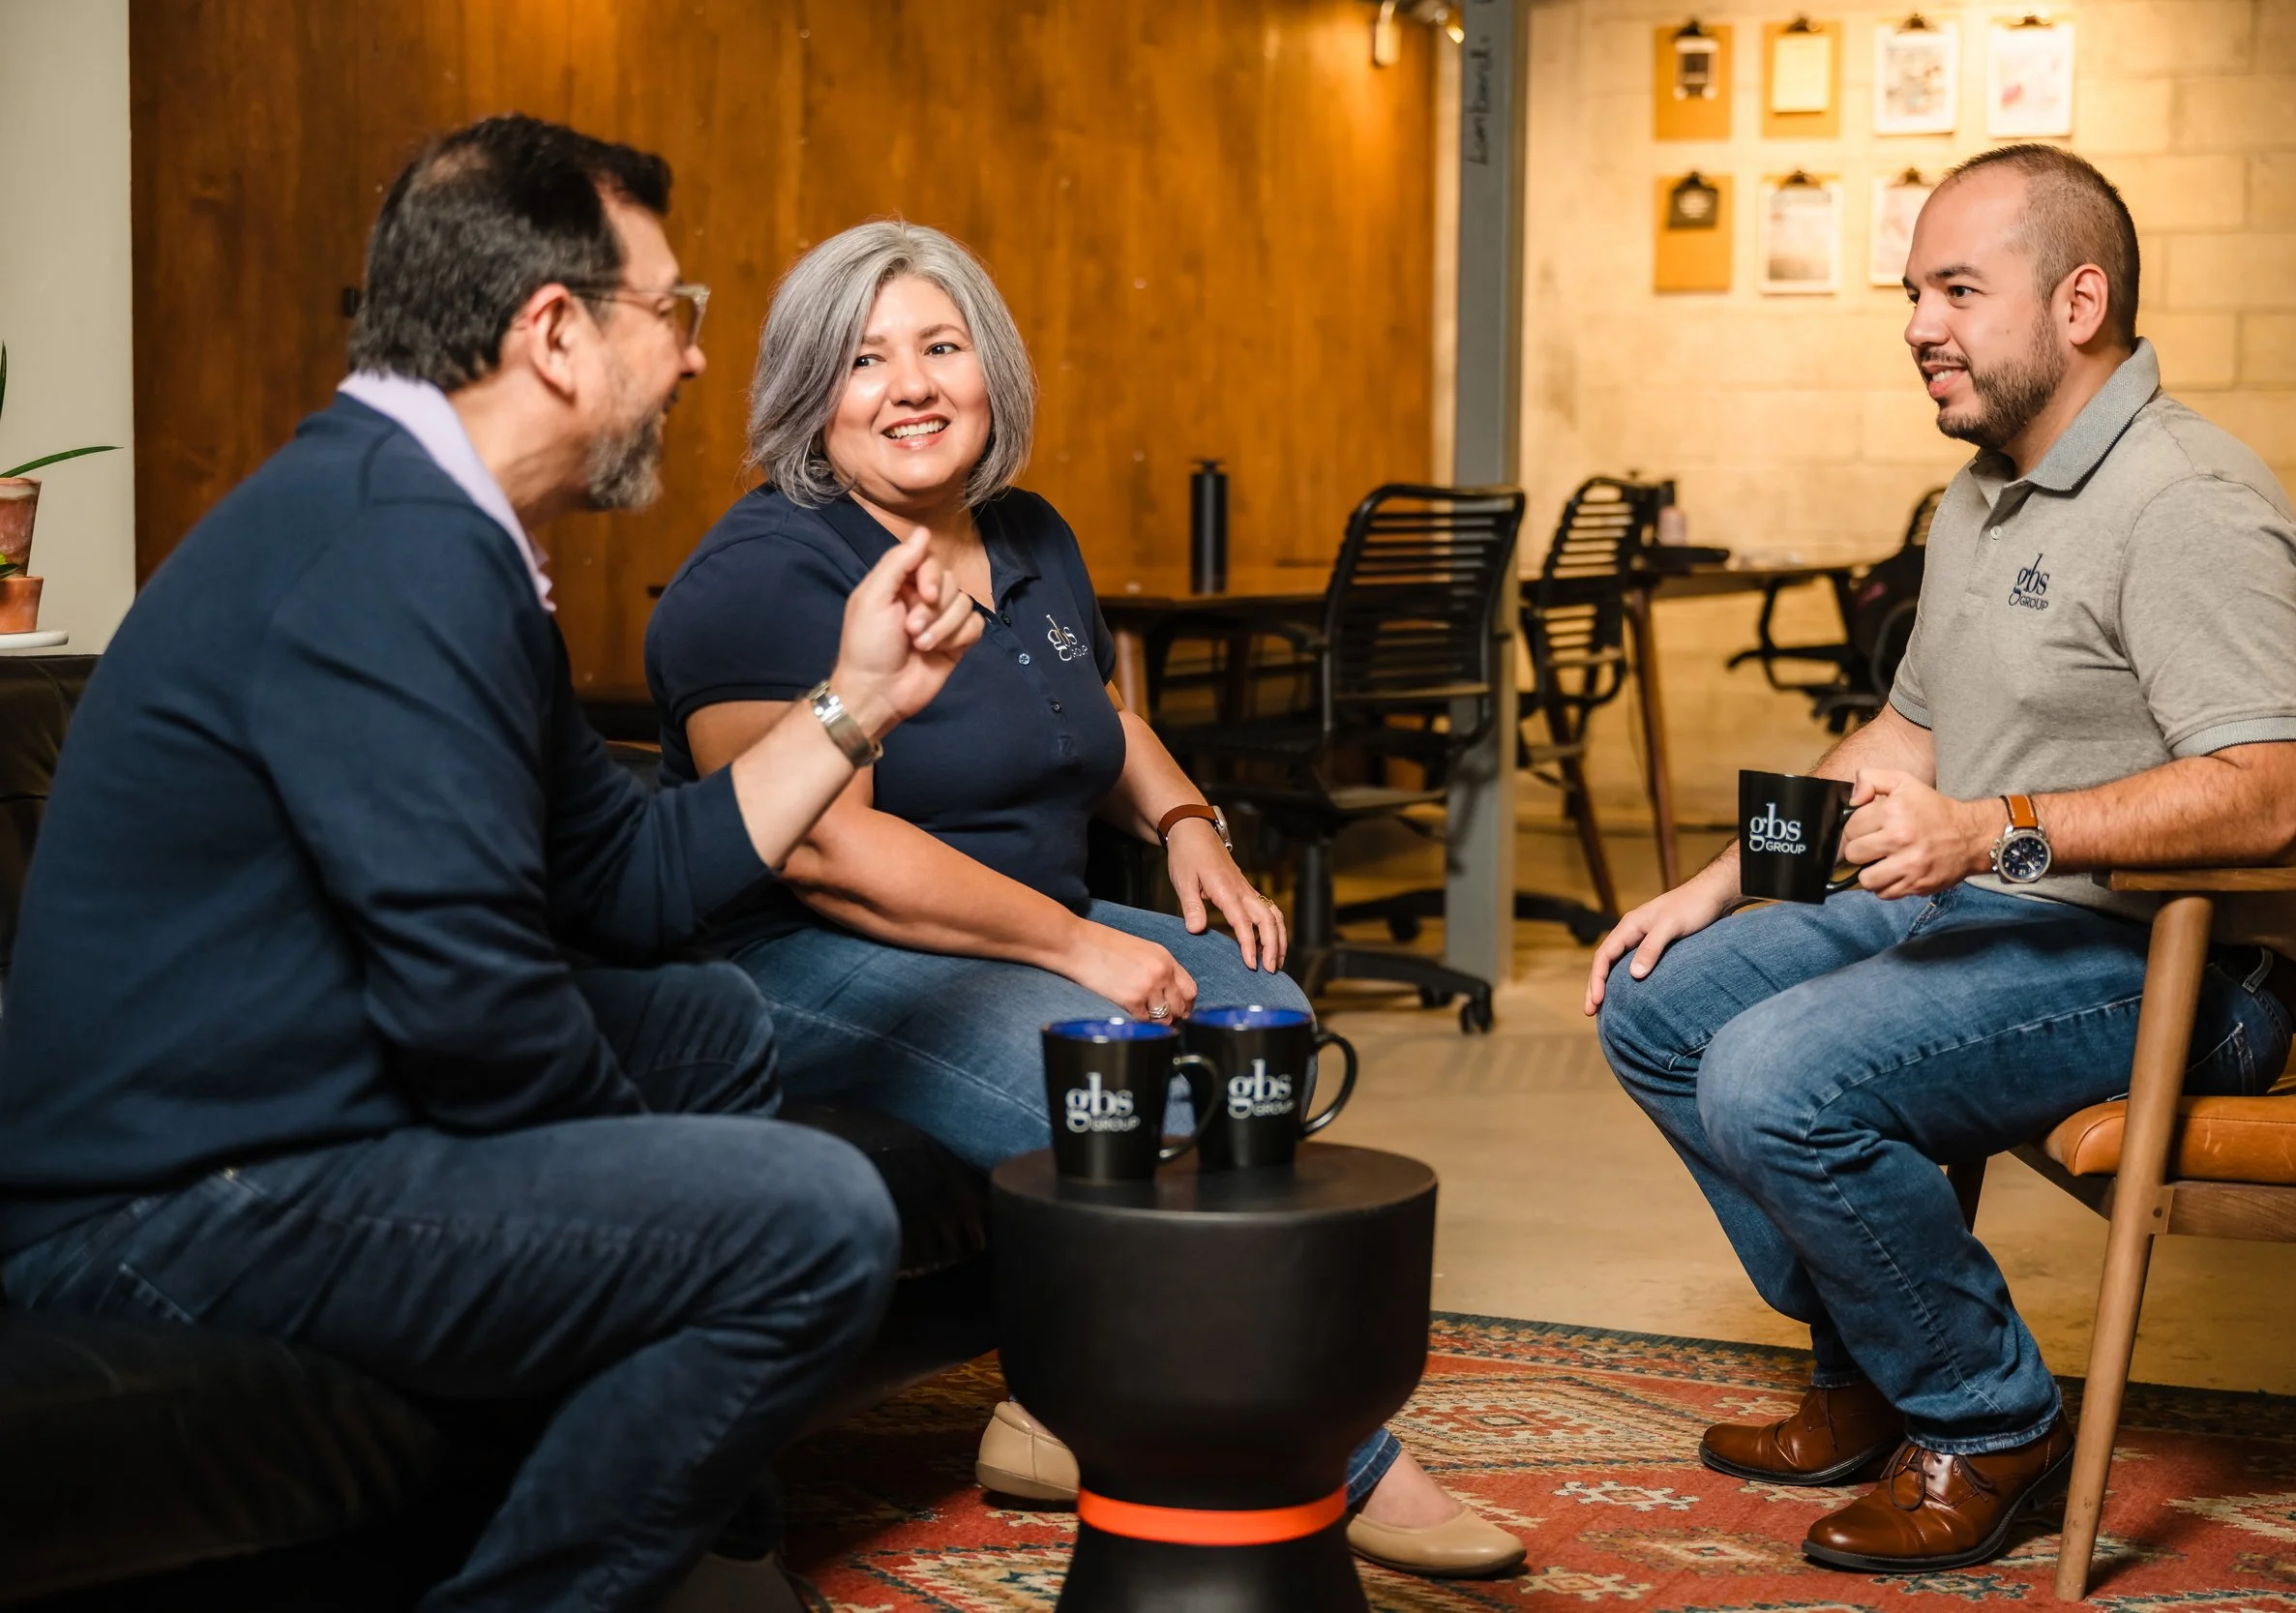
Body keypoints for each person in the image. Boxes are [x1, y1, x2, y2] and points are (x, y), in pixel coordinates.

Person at [0, 117, 986, 1613]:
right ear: (553, 334)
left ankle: (666, 1503)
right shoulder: (387, 556)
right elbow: (478, 1018)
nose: (697, 359)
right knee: (810, 1221)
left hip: (287, 1105)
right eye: (672, 313)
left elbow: (629, 878)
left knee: (710, 1019)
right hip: (173, 1200)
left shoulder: (439, 533)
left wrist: (859, 700)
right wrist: (679, 1203)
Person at [645, 220, 1525, 1580]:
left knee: (1261, 1013)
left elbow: (1098, 711)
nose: (912, 384)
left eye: (941, 346)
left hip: (1022, 929)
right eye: (865, 360)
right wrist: (1078, 950)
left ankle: (1056, 1403)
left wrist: (1184, 823)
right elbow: (826, 853)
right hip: (806, 960)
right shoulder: (761, 574)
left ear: (991, 368)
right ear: (812, 398)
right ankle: (1335, 1457)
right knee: (1127, 1077)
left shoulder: (1027, 535)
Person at [1588, 143, 2296, 1576]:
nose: (1918, 321)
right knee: (1653, 1003)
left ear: (2079, 301)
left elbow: (2268, 794)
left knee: (1774, 1075)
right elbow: (1904, 738)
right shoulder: (1979, 497)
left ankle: (1989, 1420)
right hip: (2000, 912)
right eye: (1913, 290)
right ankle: (1872, 1359)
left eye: (1957, 289)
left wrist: (1994, 830)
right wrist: (1719, 879)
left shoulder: (2189, 499)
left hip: (2186, 966)